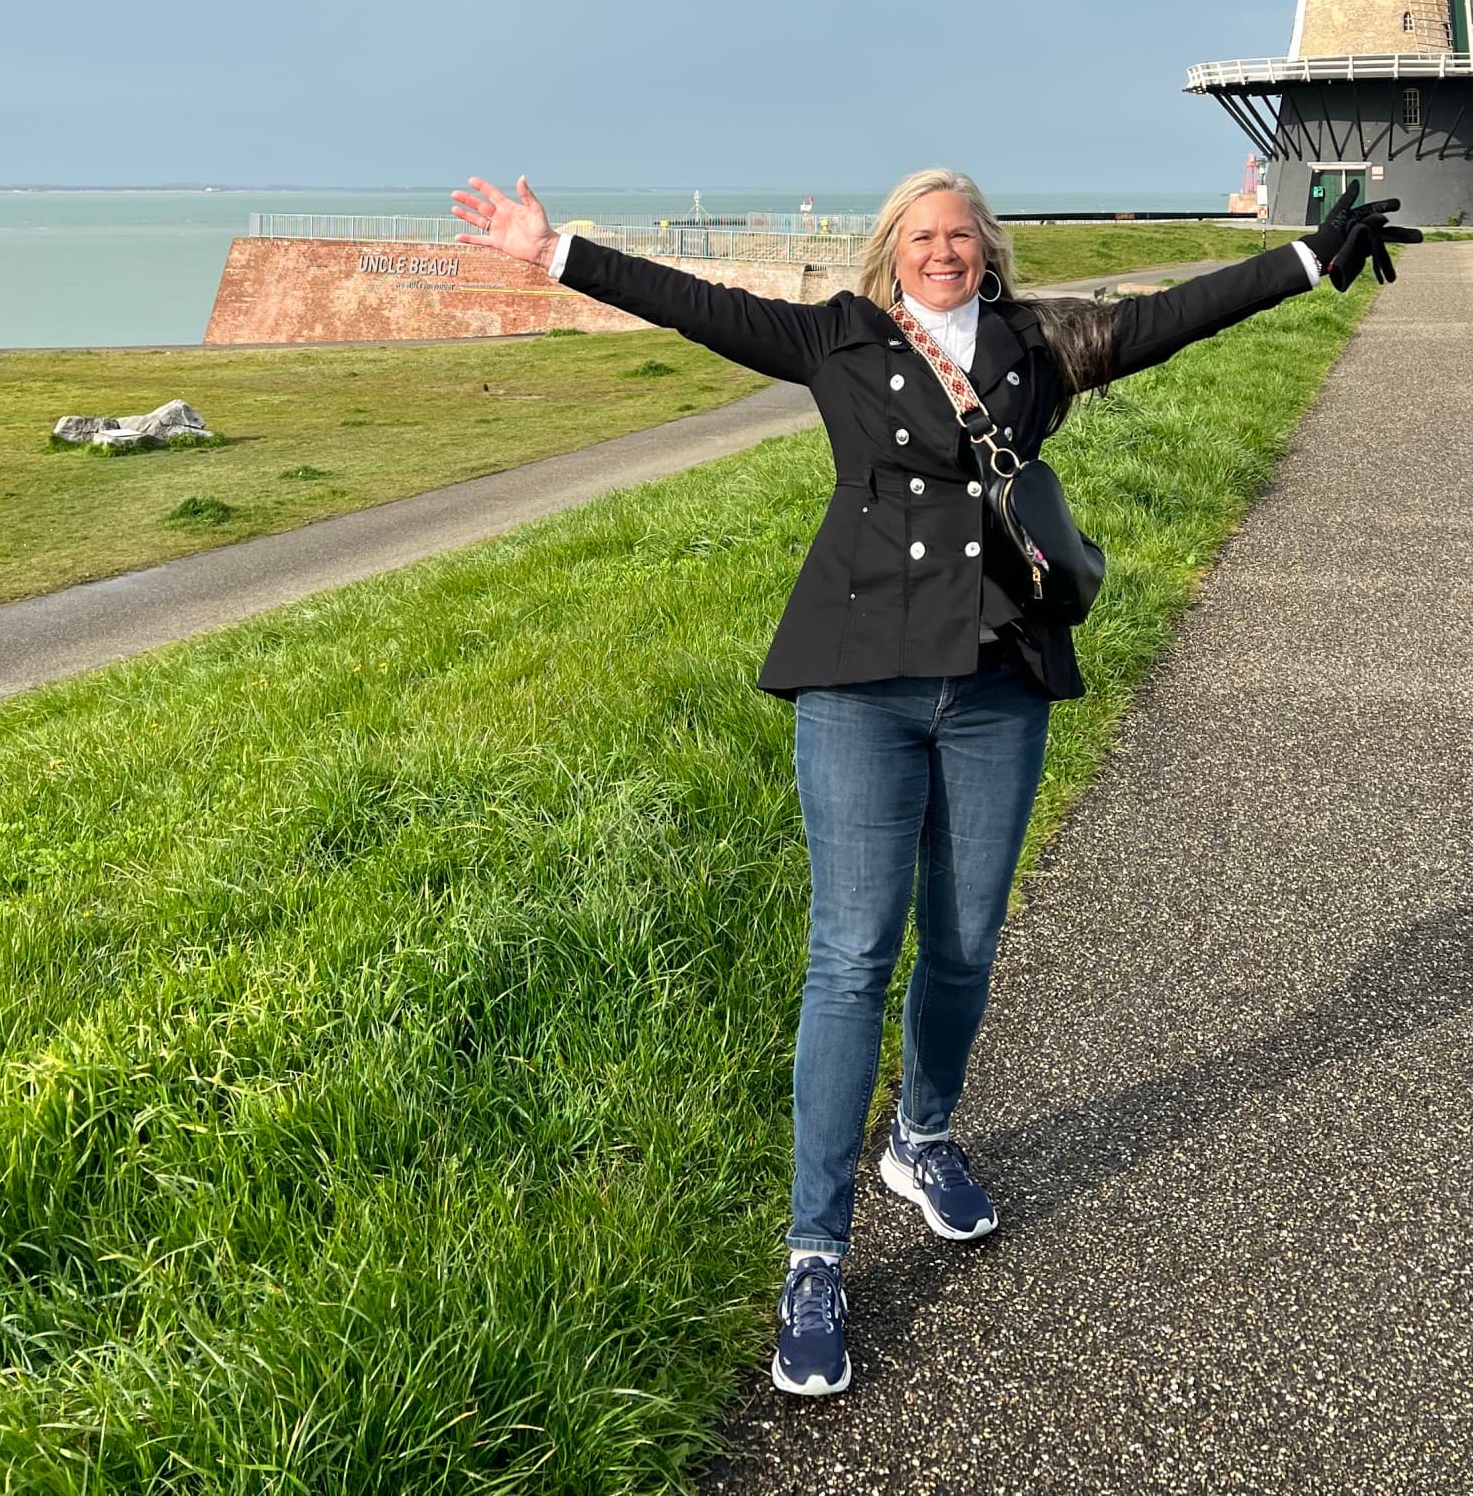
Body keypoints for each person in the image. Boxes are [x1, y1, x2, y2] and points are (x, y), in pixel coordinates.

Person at [450, 166, 1417, 1398]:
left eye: (962, 233)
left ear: (990, 250)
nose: (943, 250)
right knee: (852, 954)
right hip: (858, 679)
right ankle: (814, 1253)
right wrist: (555, 252)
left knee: (961, 943)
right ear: (889, 249)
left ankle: (922, 1136)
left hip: (995, 677)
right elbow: (693, 303)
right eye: (923, 234)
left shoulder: (1038, 344)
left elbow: (1172, 317)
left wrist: (1301, 263)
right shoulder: (834, 339)